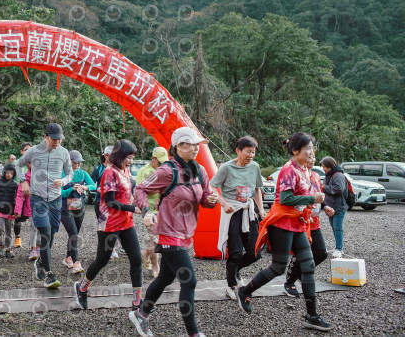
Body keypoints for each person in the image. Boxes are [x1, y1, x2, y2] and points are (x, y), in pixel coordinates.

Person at [237, 132, 334, 331]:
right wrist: (312, 199)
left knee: (308, 266)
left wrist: (315, 204)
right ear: (296, 151)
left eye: (312, 148)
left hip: (297, 223)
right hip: (281, 223)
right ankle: (245, 291)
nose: (312, 152)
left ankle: (312, 315)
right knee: (278, 267)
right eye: (308, 148)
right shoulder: (288, 170)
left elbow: (304, 196)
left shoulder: (305, 170)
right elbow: (285, 199)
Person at [125, 127, 217, 337]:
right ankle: (193, 333)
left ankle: (141, 313)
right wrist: (146, 211)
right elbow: (140, 189)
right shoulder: (167, 170)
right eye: (189, 144)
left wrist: (210, 200)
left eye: (196, 144)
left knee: (165, 279)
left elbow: (205, 200)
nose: (195, 148)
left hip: (186, 234)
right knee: (189, 281)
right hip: (168, 233)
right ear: (177, 146)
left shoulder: (200, 171)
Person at [75, 139, 146, 311]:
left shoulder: (125, 170)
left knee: (136, 259)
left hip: (126, 222)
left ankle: (137, 301)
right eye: (129, 157)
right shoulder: (109, 172)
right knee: (102, 260)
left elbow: (128, 193)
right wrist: (133, 209)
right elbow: (110, 201)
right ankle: (82, 287)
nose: (131, 161)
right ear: (120, 155)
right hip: (109, 224)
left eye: (133, 158)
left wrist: (141, 203)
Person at [15, 123, 73, 289]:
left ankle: (41, 262)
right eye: (54, 139)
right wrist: (23, 181)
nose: (57, 142)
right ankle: (49, 274)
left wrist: (63, 181)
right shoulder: (33, 151)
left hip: (55, 199)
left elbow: (70, 173)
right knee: (45, 233)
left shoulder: (64, 152)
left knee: (52, 234)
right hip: (38, 198)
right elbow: (18, 164)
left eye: (60, 139)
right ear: (45, 137)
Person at [211, 136, 266, 300]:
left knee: (255, 252)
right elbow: (212, 186)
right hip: (232, 211)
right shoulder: (226, 168)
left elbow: (257, 189)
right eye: (248, 152)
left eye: (253, 152)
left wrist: (261, 209)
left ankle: (235, 271)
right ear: (238, 151)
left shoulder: (254, 166)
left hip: (249, 210)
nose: (251, 155)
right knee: (235, 252)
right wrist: (223, 203)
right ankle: (231, 285)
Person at [283, 154, 329, 297]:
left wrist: (325, 207)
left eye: (314, 157)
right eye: (309, 156)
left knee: (321, 253)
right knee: (301, 252)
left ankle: (302, 273)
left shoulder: (316, 175)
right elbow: (288, 197)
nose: (312, 159)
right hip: (300, 219)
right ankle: (289, 282)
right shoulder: (295, 173)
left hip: (314, 221)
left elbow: (318, 195)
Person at [135, 146, 169, 277]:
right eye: (160, 162)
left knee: (157, 239)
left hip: (162, 209)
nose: (161, 164)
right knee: (154, 239)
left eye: (163, 162)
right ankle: (156, 266)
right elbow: (139, 191)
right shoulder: (144, 171)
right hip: (149, 210)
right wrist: (159, 188)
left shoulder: (164, 171)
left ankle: (144, 253)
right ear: (153, 159)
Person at [61, 150, 96, 274]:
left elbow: (93, 186)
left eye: (79, 163)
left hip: (79, 207)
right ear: (68, 161)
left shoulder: (83, 173)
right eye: (75, 162)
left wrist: (84, 187)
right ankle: (76, 262)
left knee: (74, 234)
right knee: (74, 234)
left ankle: (68, 258)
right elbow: (59, 192)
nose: (77, 165)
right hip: (64, 208)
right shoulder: (62, 173)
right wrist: (71, 188)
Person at [320, 156, 347, 258]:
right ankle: (339, 247)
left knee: (337, 227)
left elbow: (339, 189)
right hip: (330, 206)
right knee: (333, 227)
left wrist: (324, 187)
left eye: (324, 167)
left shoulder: (338, 175)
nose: (323, 169)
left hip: (339, 206)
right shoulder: (328, 175)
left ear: (330, 166)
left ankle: (339, 248)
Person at [13, 142, 33, 248]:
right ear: (21, 151)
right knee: (18, 218)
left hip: (29, 194)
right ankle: (17, 238)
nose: (28, 151)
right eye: (26, 150)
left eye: (30, 149)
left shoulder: (35, 162)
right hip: (18, 192)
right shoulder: (17, 163)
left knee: (33, 220)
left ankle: (34, 245)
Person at [90, 146, 113, 221]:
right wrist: (97, 189)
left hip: (114, 201)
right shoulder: (98, 169)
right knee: (102, 224)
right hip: (100, 201)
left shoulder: (118, 169)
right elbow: (90, 185)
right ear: (106, 156)